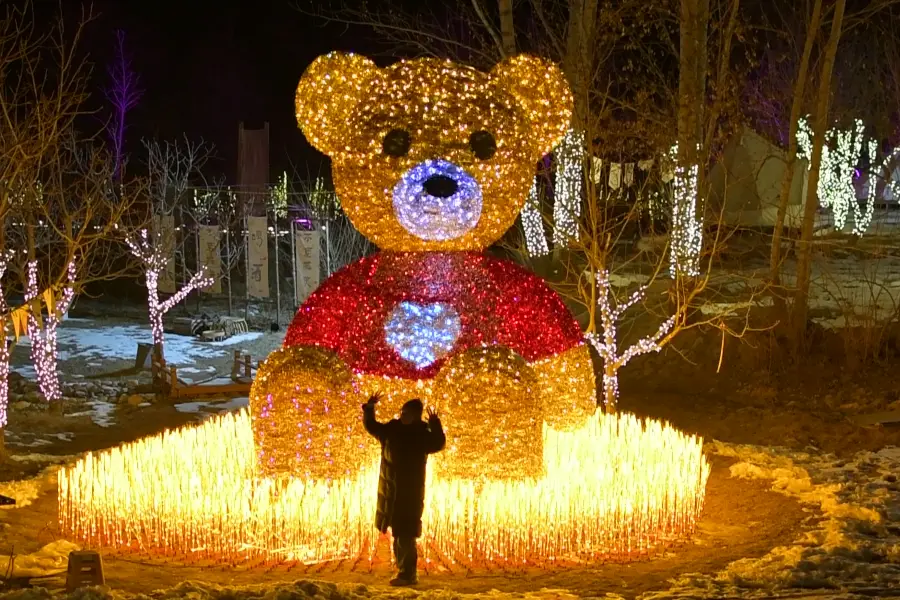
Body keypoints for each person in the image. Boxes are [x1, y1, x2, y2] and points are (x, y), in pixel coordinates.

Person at [362, 392, 445, 586]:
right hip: (391, 492)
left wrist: (435, 424)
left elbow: (438, 443)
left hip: (411, 493)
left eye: (408, 413)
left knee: (406, 533)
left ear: (417, 415)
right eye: (403, 412)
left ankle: (408, 574)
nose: (404, 416)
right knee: (399, 533)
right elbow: (372, 426)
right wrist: (370, 408)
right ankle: (405, 572)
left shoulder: (422, 434)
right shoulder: (392, 430)